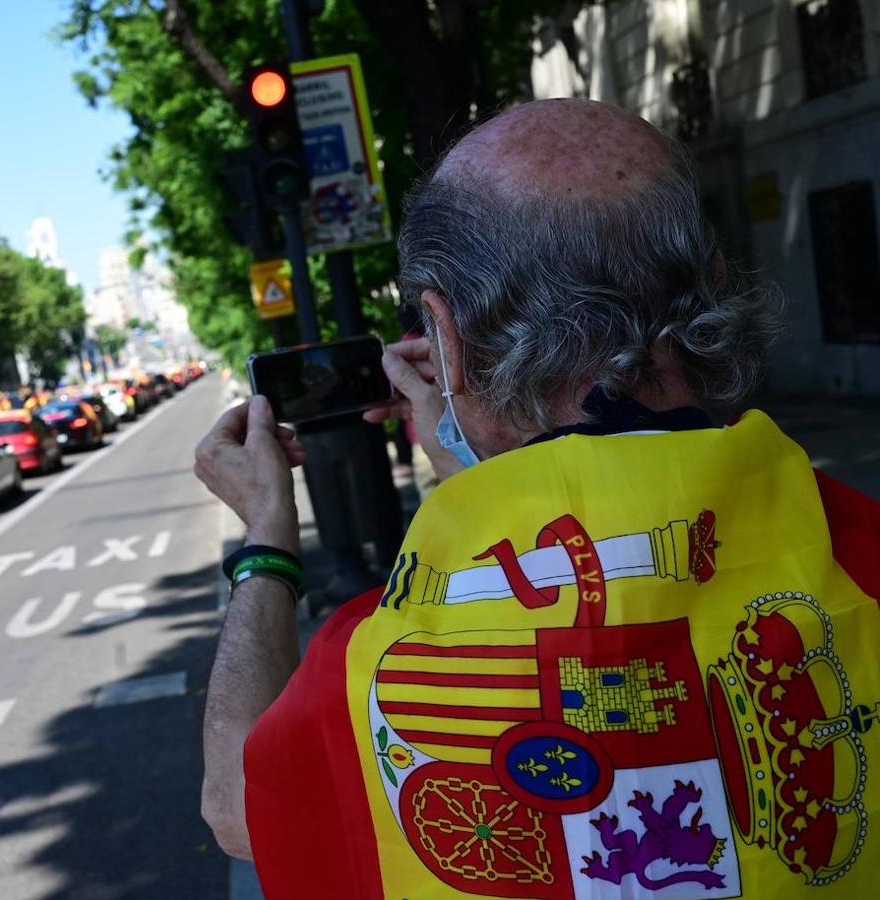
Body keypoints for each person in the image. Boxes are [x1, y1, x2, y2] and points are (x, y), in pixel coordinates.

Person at [194, 98, 880, 898]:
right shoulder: (853, 546)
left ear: (442, 337)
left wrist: (268, 545)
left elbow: (237, 807)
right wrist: (475, 475)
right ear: (716, 283)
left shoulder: (376, 668)